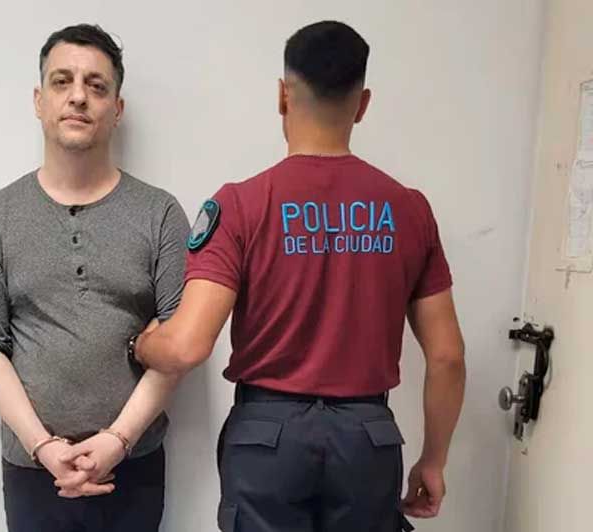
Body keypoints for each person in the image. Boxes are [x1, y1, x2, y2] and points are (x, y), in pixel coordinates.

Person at [134, 20, 466, 532]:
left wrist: (140, 344)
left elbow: (185, 346)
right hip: (367, 439)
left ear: (282, 96)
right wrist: (434, 460)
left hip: (267, 439)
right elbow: (447, 357)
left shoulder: (241, 205)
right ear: (362, 104)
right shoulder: (409, 209)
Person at [0, 23, 189, 532]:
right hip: (32, 469)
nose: (78, 96)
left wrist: (118, 440)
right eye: (62, 82)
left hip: (134, 464)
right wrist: (42, 445)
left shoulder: (161, 214)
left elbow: (179, 341)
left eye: (96, 85)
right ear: (39, 101)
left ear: (117, 108)